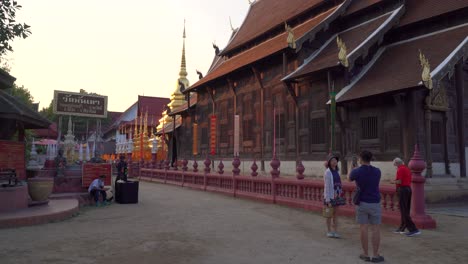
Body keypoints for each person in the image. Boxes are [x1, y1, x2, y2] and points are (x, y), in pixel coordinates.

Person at [348, 150, 384, 263]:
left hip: (362, 202)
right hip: (375, 202)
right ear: (371, 158)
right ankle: (376, 255)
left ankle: (365, 254)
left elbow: (349, 179)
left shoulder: (357, 171)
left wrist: (352, 167)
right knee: (376, 228)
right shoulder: (377, 171)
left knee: (363, 227)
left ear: (360, 158)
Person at [391, 158, 421, 237]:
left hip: (403, 190)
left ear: (397, 163)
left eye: (395, 165)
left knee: (404, 210)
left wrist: (392, 181)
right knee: (406, 209)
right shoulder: (407, 169)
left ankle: (414, 229)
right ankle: (402, 228)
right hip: (408, 189)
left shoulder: (400, 169)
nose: (395, 167)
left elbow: (399, 181)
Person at [323, 155, 343, 238]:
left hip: (337, 195)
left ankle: (335, 231)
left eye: (335, 160)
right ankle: (329, 231)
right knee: (329, 214)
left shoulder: (337, 171)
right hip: (330, 196)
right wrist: (327, 199)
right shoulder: (327, 172)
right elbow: (327, 186)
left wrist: (340, 194)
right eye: (332, 160)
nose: (334, 162)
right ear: (329, 163)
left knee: (336, 214)